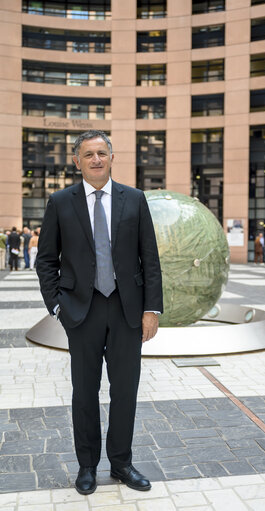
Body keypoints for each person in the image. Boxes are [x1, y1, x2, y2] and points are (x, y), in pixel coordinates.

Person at [37, 130, 163, 496]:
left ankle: (121, 463)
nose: (96, 159)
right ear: (76, 161)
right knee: (84, 392)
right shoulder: (60, 202)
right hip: (82, 311)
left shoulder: (135, 199)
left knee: (126, 391)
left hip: (128, 311)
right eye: (88, 154)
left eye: (102, 153)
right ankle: (87, 466)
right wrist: (58, 305)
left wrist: (151, 309)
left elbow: (149, 259)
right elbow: (46, 260)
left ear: (112, 157)